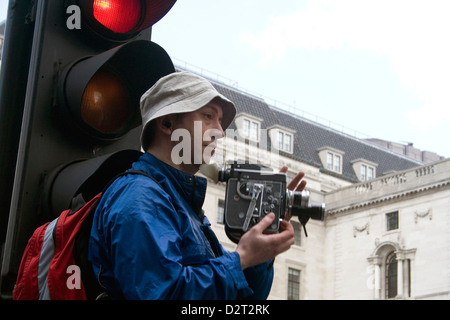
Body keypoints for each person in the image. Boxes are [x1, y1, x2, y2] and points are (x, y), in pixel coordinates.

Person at [88, 71, 307, 299]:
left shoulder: (184, 205)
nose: (220, 132)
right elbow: (160, 294)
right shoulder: (140, 195)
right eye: (208, 116)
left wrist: (260, 252)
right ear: (167, 123)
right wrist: (241, 257)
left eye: (220, 122)